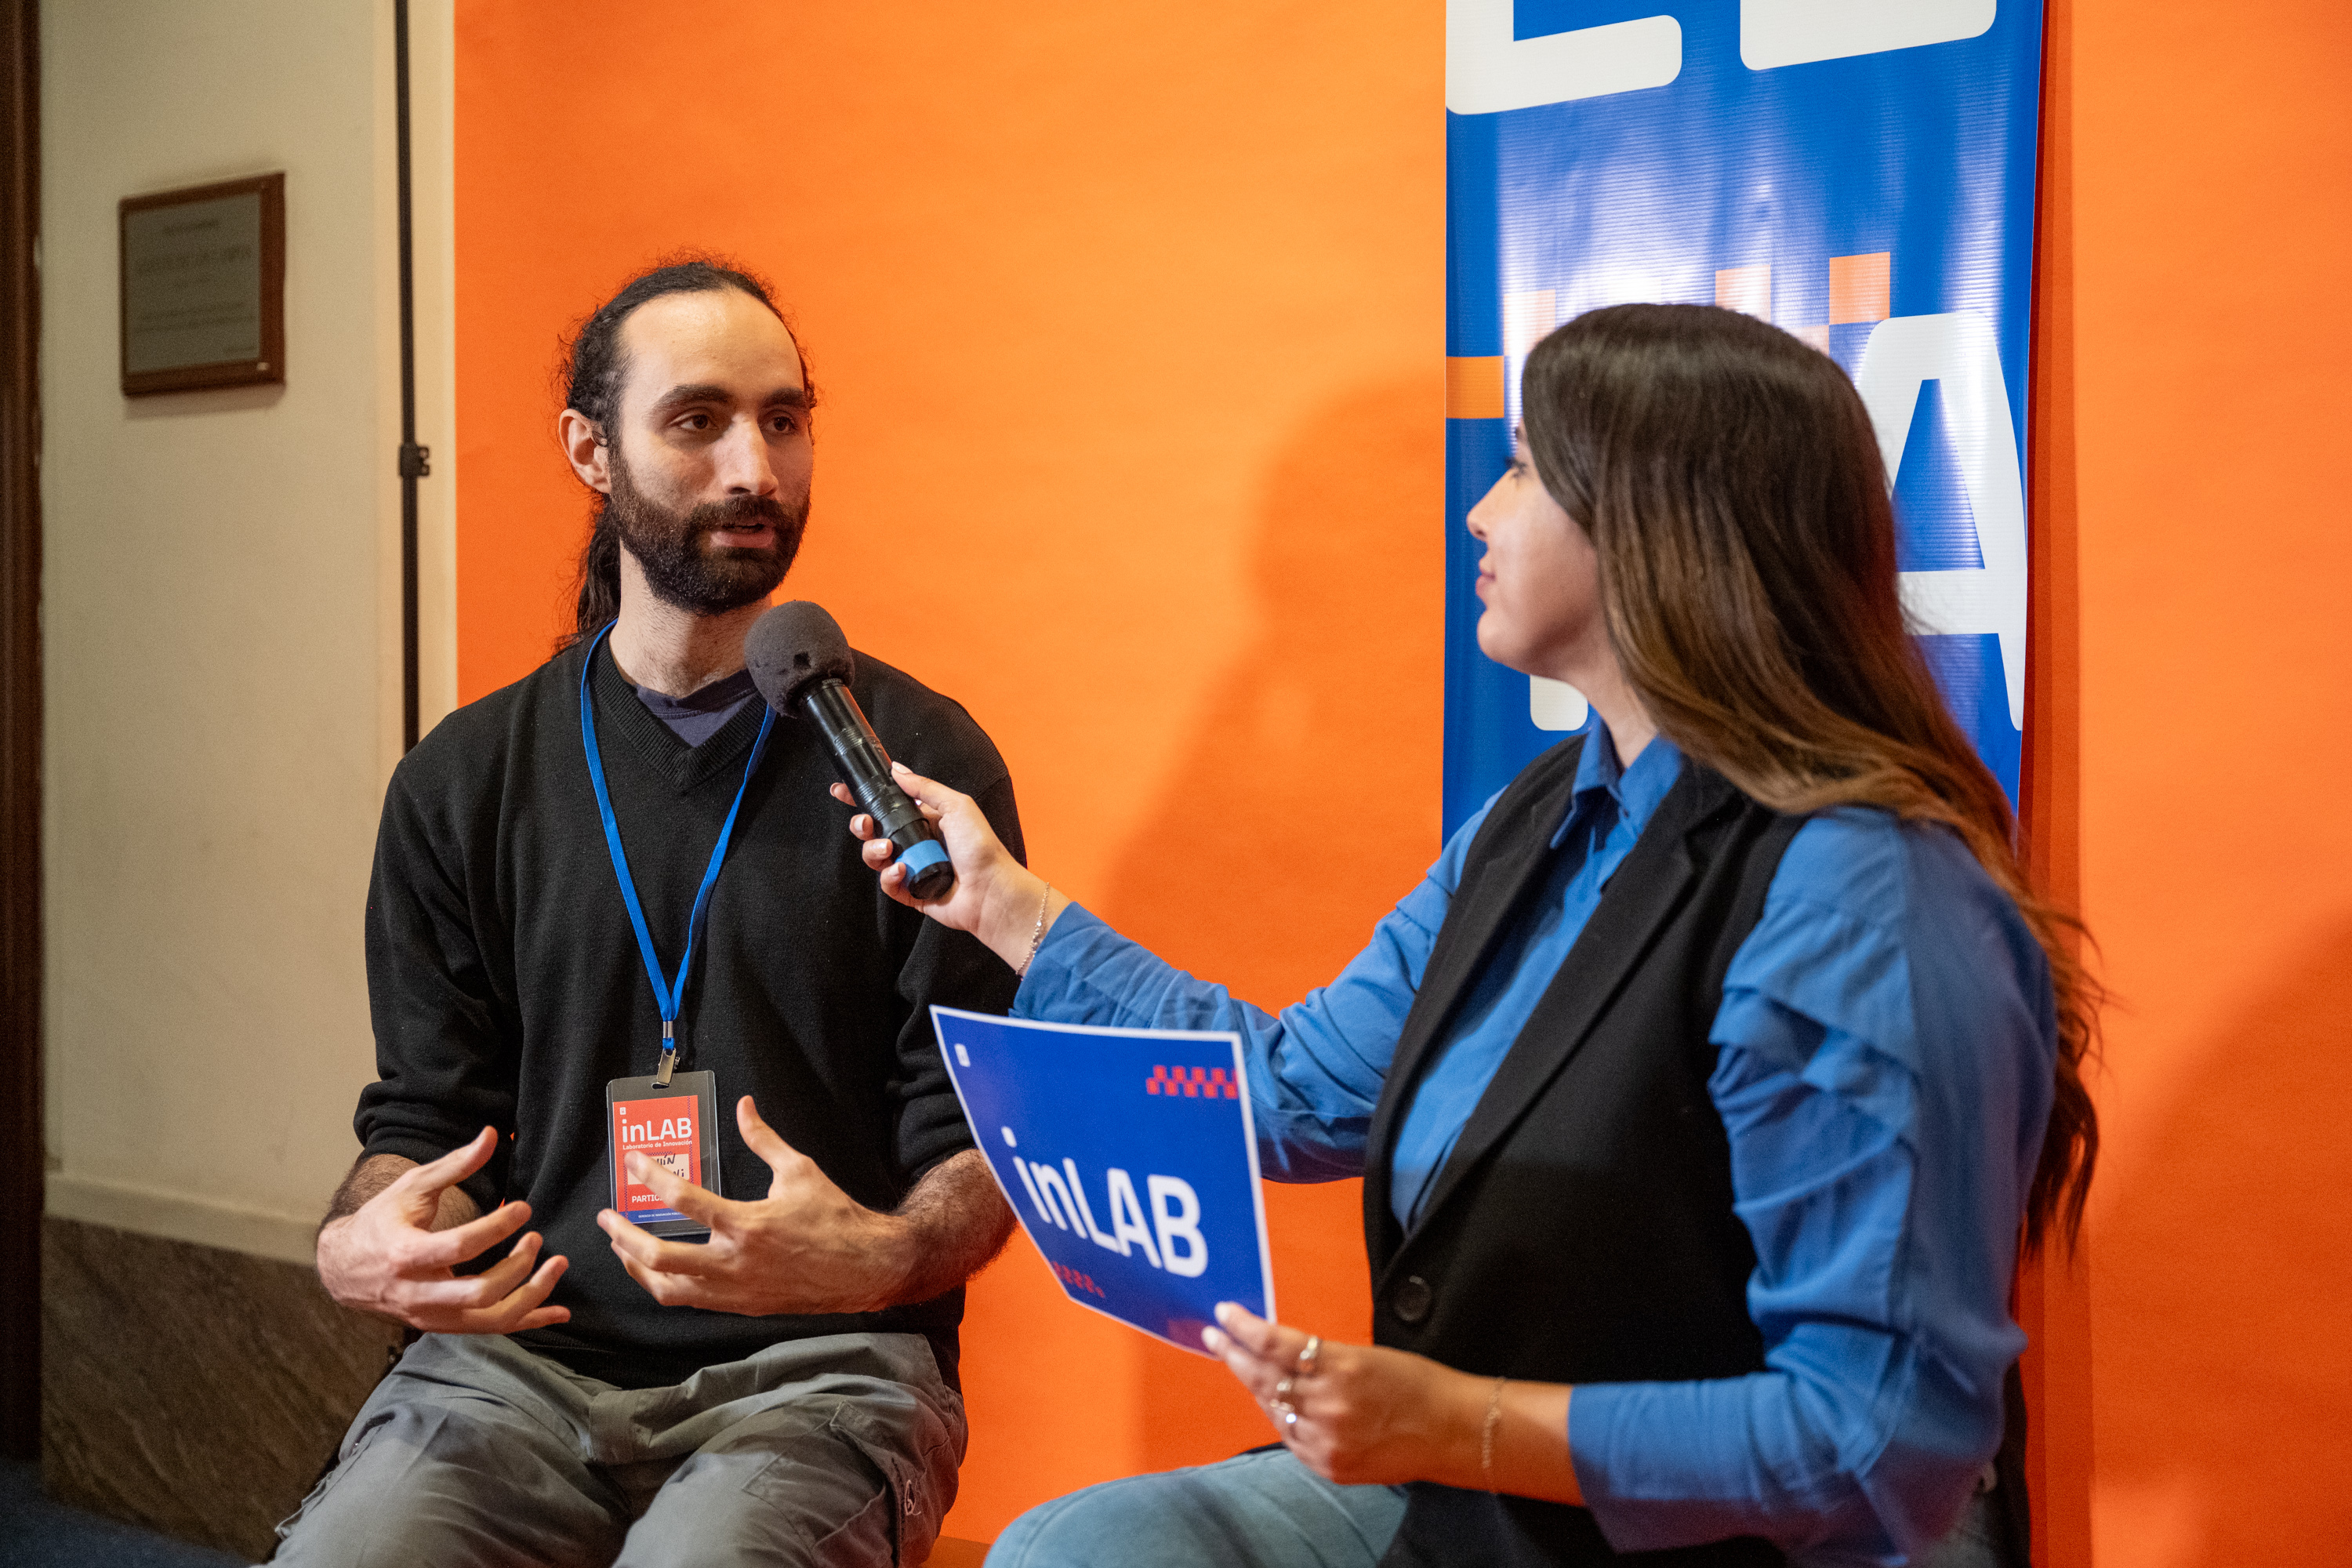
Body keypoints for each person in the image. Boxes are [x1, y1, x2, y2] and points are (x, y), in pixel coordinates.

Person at [844, 303, 2096, 1567]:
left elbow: (1877, 1441)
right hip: (1490, 1502)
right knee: (1076, 1549)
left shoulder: (1862, 901)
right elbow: (1287, 1091)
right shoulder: (1535, 819)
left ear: (1653, 528)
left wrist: (1457, 1423)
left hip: (1738, 1539)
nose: (1480, 515)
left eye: (1522, 471)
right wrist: (1005, 906)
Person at [278, 259, 1022, 1568]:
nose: (755, 467)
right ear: (590, 449)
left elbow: (976, 1144)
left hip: (822, 1373)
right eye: (698, 420)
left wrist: (881, 1256)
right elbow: (429, 1120)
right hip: (516, 1370)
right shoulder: (464, 781)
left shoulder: (917, 767)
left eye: (784, 421)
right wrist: (360, 1240)